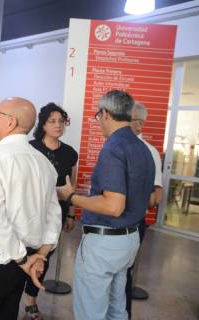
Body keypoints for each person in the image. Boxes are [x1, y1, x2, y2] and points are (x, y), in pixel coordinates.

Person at [0, 97, 62, 319]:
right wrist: (40, 255)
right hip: (22, 264)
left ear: (11, 122)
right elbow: (54, 216)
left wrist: (24, 260)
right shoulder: (44, 163)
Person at [55, 90, 155, 320]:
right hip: (129, 240)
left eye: (98, 115)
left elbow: (113, 206)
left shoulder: (113, 148)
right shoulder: (143, 149)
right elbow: (147, 198)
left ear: (106, 113)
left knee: (91, 312)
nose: (99, 121)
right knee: (117, 309)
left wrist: (71, 197)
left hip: (105, 243)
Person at [25, 103, 78, 319]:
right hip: (29, 212)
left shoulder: (70, 153)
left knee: (42, 260)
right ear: (43, 125)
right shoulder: (30, 148)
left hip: (56, 215)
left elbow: (71, 186)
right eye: (52, 121)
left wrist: (71, 213)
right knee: (21, 257)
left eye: (61, 121)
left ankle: (30, 301)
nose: (58, 125)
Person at [126, 101, 163, 319]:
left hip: (132, 224)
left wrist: (133, 205)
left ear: (140, 124)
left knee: (124, 275)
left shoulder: (150, 152)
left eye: (126, 119)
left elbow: (157, 194)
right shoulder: (112, 145)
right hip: (106, 225)